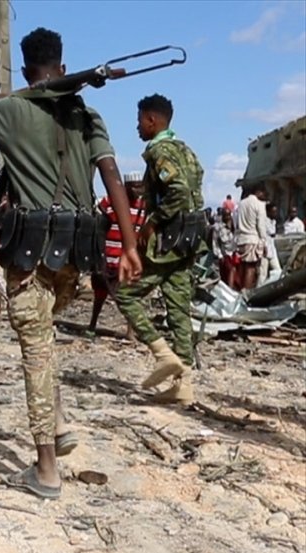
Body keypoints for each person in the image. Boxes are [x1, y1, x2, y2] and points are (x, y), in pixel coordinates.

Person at [0, 27, 142, 499]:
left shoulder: (13, 110)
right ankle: (62, 423)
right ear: (64, 69)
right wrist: (129, 244)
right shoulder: (87, 115)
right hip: (77, 253)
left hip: (31, 253)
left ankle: (46, 467)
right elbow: (111, 175)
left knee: (35, 351)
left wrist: (21, 94)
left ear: (28, 71)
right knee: (44, 340)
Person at [116, 94, 205, 405]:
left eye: (140, 120)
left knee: (125, 293)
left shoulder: (160, 151)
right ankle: (184, 387)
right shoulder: (185, 150)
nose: (137, 126)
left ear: (152, 120)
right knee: (179, 309)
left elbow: (178, 190)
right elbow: (196, 184)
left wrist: (153, 223)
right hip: (188, 240)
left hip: (167, 242)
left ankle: (162, 353)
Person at [86, 172, 146, 337]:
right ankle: (92, 325)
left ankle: (130, 332)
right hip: (109, 253)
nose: (138, 190)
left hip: (127, 258)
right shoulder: (112, 201)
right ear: (126, 187)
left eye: (141, 186)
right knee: (100, 294)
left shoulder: (143, 207)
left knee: (128, 295)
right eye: (135, 186)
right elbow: (99, 222)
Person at [235, 185, 269, 290]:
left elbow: (235, 221)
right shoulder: (259, 205)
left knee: (242, 267)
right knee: (251, 268)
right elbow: (261, 226)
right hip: (252, 239)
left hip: (241, 239)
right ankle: (246, 293)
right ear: (258, 192)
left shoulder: (240, 204)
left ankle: (240, 289)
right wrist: (264, 242)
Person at [260, 202, 282, 285]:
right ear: (268, 212)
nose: (275, 213)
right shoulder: (263, 221)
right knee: (262, 275)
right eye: (273, 212)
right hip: (264, 251)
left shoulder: (274, 222)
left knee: (278, 271)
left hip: (272, 250)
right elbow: (263, 236)